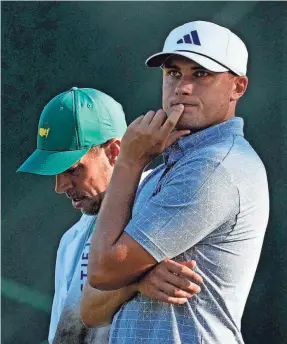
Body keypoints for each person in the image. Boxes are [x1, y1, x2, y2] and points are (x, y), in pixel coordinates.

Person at [84, 21, 270, 344]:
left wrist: (128, 160)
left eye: (200, 74)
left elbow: (102, 270)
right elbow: (90, 308)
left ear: (237, 87)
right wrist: (136, 282)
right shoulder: (163, 168)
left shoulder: (216, 166)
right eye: (173, 73)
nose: (182, 87)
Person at [17, 87, 202, 343]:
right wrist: (135, 284)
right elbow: (66, 335)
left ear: (115, 151)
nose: (60, 187)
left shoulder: (165, 202)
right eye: (55, 174)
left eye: (73, 170)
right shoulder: (70, 241)